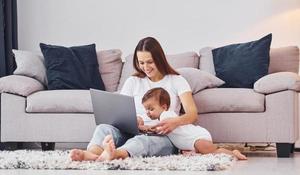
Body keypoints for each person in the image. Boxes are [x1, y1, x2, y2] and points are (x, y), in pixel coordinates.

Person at [70, 36, 198, 161]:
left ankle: (114, 154)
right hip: (132, 132)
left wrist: (174, 122)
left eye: (150, 62)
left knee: (141, 141)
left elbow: (192, 114)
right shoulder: (133, 81)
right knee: (103, 128)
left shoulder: (177, 80)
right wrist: (134, 121)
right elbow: (120, 112)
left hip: (162, 136)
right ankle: (92, 155)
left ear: (160, 59)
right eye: (141, 62)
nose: (145, 67)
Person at [140, 87, 247, 160]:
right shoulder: (163, 118)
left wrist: (146, 128)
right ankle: (229, 152)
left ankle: (234, 153)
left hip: (196, 137)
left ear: (164, 107)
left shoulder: (166, 115)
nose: (148, 112)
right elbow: (159, 128)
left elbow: (159, 129)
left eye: (151, 109)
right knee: (206, 152)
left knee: (210, 150)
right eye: (146, 110)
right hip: (190, 141)